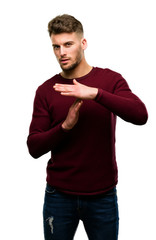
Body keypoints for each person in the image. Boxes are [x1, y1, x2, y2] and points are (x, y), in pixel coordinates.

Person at [27, 14, 148, 240]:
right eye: (56, 46)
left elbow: (140, 115)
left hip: (102, 196)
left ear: (83, 44)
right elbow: (34, 147)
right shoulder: (46, 90)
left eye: (68, 44)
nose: (61, 52)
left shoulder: (110, 80)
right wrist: (65, 127)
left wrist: (96, 93)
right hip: (59, 196)